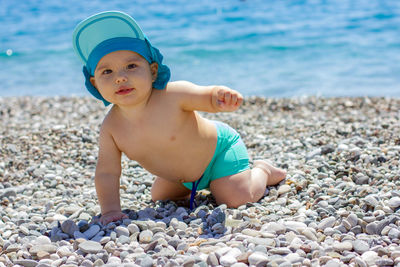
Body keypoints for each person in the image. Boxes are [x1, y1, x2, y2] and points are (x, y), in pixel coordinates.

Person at [72, 11, 286, 225]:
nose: (120, 77)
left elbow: (205, 96)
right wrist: (110, 210)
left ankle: (263, 171)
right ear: (94, 84)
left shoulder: (172, 95)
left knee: (235, 197)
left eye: (131, 66)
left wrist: (220, 97)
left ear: (153, 71)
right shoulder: (112, 127)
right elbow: (107, 173)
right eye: (107, 72)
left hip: (219, 151)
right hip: (181, 178)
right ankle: (201, 184)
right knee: (160, 198)